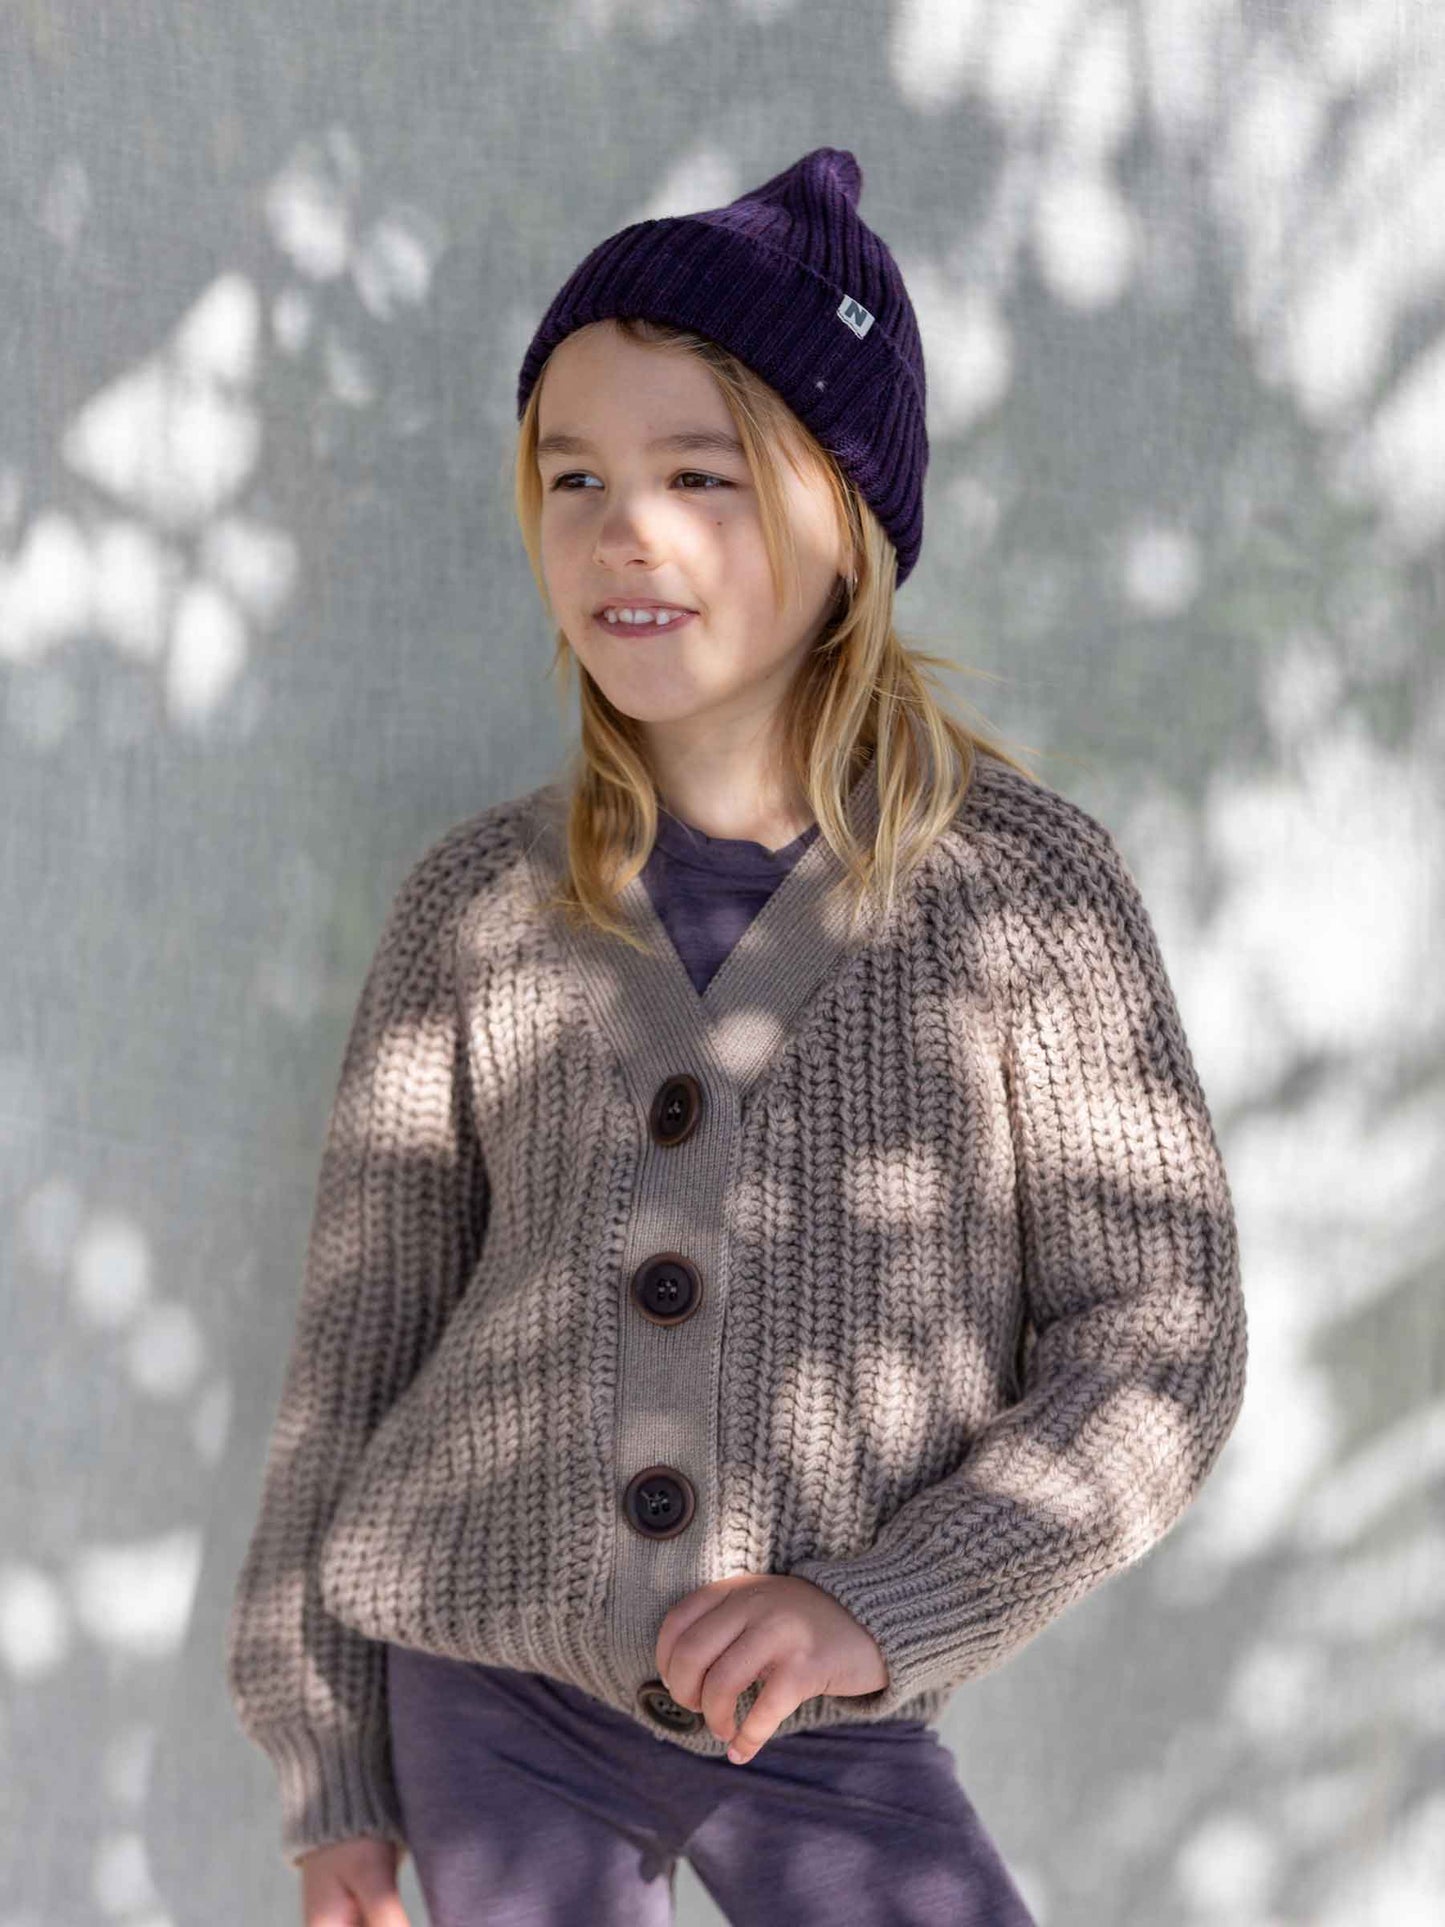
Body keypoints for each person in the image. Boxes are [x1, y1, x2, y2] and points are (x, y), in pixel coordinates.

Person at [224, 148, 1248, 1926]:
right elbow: (358, 1356)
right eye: (574, 479)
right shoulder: (474, 909)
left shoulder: (1025, 900)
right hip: (487, 1695)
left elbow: (1159, 1342)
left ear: (845, 513)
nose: (625, 530)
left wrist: (883, 1605)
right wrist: (331, 1773)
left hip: (823, 1708)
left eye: (700, 475)